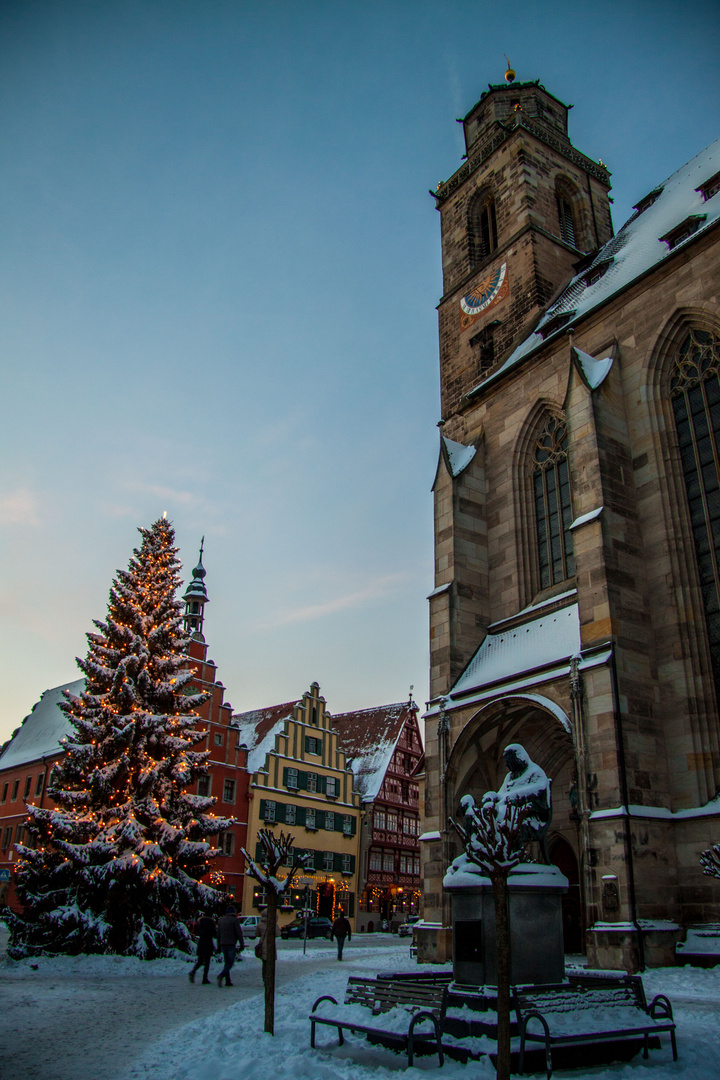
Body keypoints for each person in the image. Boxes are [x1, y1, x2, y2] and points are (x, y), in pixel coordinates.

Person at [216, 904, 244, 987]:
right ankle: (221, 975)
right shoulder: (234, 920)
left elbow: (218, 934)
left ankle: (228, 980)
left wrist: (218, 946)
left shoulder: (221, 920)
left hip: (223, 943)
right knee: (230, 962)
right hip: (231, 943)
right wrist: (242, 944)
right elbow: (239, 933)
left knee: (226, 962)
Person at [188, 911, 217, 985]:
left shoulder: (199, 922)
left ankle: (193, 971)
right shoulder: (211, 923)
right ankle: (205, 978)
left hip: (201, 942)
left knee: (200, 960)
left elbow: (197, 931)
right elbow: (214, 933)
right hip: (208, 943)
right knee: (207, 961)